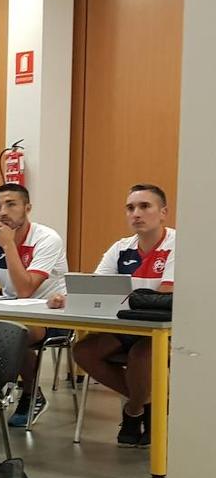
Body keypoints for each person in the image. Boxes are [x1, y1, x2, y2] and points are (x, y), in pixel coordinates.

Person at [53, 184, 176, 448]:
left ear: (163, 212)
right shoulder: (121, 247)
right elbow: (98, 285)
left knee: (141, 356)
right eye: (131, 208)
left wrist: (128, 298)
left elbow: (166, 296)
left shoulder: (177, 244)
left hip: (165, 331)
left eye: (145, 207)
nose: (136, 214)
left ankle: (132, 412)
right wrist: (67, 297)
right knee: (83, 352)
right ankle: (150, 405)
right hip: (126, 326)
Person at [0, 183, 68, 426]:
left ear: (27, 208)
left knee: (15, 332)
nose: (3, 212)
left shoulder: (47, 239)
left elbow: (25, 289)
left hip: (53, 316)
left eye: (11, 205)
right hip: (11, 311)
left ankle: (30, 394)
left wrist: (9, 245)